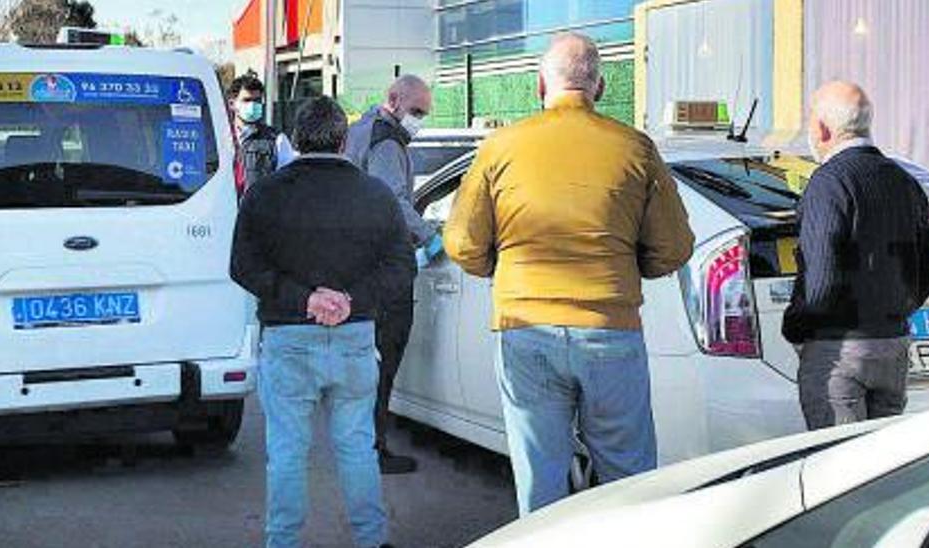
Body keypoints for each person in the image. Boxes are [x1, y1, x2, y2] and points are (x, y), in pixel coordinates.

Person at [443, 33, 694, 515]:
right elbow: (674, 248)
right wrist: (628, 267)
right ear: (599, 86)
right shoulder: (635, 148)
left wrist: (502, 267)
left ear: (540, 85)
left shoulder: (500, 147)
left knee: (540, 481)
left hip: (524, 329)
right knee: (628, 480)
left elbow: (462, 244)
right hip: (610, 331)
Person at [231, 96, 412, 548]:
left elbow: (243, 267)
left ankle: (283, 541)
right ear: (344, 138)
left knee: (288, 452)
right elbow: (400, 268)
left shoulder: (265, 193)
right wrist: (350, 301)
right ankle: (372, 540)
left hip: (288, 338)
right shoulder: (376, 195)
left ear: (293, 138)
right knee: (356, 446)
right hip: (353, 338)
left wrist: (305, 299)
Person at [784, 81, 929, 430]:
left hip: (839, 351)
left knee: (838, 466)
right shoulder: (906, 182)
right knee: (878, 471)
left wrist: (794, 327)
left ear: (823, 129)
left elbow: (821, 280)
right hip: (894, 348)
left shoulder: (829, 183)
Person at [344, 74, 437, 475]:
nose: (418, 120)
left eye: (423, 114)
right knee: (384, 360)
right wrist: (431, 236)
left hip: (358, 263)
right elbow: (393, 200)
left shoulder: (360, 129)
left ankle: (359, 446)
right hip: (385, 266)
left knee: (367, 363)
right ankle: (373, 449)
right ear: (394, 99)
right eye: (415, 111)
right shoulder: (386, 139)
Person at [228, 73, 296, 188]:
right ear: (232, 104)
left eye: (257, 100)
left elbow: (289, 182)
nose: (253, 105)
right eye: (247, 100)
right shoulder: (220, 137)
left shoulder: (276, 140)